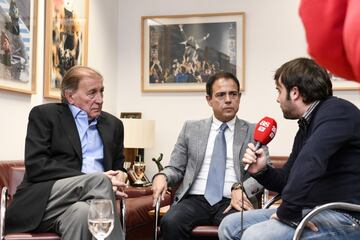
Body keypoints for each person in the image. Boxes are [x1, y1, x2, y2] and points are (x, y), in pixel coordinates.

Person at [218, 57, 360, 240]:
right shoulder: (307, 124)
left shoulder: (337, 112)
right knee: (230, 225)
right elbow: (287, 180)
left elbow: (311, 161)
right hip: (313, 210)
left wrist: (289, 212)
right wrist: (262, 171)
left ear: (294, 93)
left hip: (346, 216)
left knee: (256, 236)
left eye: (279, 91)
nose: (277, 99)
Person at [5, 66, 127, 240]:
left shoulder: (114, 125)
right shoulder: (46, 115)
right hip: (46, 200)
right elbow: (37, 166)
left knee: (82, 213)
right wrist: (92, 180)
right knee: (99, 180)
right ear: (70, 96)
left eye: (101, 91)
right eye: (92, 93)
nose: (99, 99)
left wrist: (120, 175)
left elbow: (118, 166)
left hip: (86, 205)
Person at [151, 72, 269, 239]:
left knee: (241, 228)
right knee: (171, 222)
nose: (228, 99)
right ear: (209, 99)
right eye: (221, 95)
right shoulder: (191, 128)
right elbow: (176, 168)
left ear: (239, 97)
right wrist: (162, 175)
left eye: (233, 94)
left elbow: (264, 174)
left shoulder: (253, 131)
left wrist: (242, 188)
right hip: (195, 199)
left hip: (233, 201)